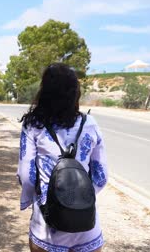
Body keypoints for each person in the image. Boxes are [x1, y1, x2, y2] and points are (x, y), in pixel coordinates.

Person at [17, 63, 108, 252]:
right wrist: (78, 199)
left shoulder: (34, 125)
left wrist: (29, 201)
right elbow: (101, 176)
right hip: (86, 227)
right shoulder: (89, 123)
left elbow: (27, 176)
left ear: (44, 92)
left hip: (47, 227)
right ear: (75, 93)